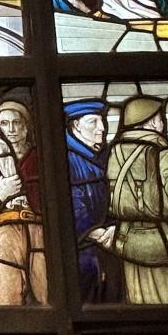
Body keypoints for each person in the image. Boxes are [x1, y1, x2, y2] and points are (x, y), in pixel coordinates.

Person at [94, 95, 168, 303]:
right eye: (159, 118)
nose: (162, 124)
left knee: (140, 300)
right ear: (151, 121)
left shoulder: (115, 152)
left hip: (128, 241)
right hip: (165, 244)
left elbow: (110, 200)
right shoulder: (163, 152)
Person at [0, 98, 47, 304]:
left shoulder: (42, 157)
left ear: (26, 127)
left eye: (16, 123)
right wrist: (2, 193)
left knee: (49, 296)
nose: (11, 129)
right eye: (4, 123)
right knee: (7, 299)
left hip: (40, 231)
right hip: (4, 232)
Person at [63, 99, 111, 303]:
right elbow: (72, 205)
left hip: (101, 247)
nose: (101, 128)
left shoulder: (97, 155)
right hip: (80, 253)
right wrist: (97, 232)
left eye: (102, 121)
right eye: (93, 122)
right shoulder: (67, 158)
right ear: (76, 126)